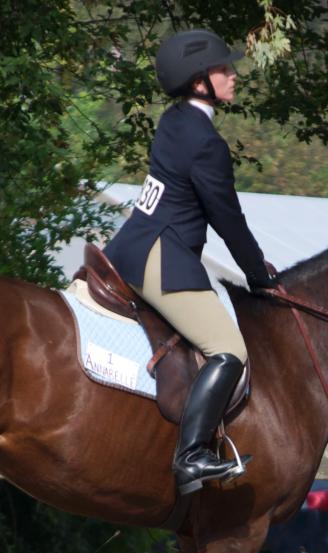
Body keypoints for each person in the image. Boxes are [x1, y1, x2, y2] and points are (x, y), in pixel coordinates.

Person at [103, 29, 275, 496]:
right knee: (230, 349)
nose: (234, 76)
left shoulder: (176, 120)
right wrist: (259, 275)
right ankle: (193, 455)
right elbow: (227, 218)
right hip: (165, 254)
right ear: (199, 81)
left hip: (134, 244)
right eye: (223, 70)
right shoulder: (205, 142)